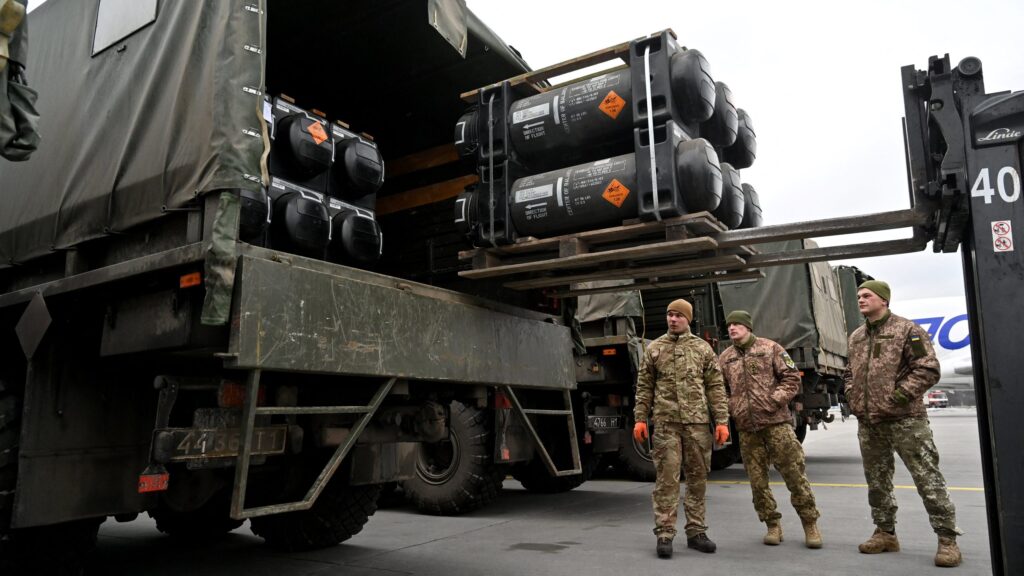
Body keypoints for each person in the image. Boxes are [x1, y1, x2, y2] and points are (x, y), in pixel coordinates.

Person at [845, 280, 961, 568]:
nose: (861, 300)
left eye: (867, 295)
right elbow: (849, 373)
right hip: (870, 423)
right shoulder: (857, 336)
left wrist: (897, 397)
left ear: (883, 300)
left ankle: (947, 540)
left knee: (927, 479)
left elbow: (928, 368)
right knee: (877, 482)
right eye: (858, 296)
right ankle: (885, 533)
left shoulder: (907, 330)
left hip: (905, 420)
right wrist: (852, 396)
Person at [633, 299, 729, 558]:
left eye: (678, 315)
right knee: (667, 480)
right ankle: (664, 534)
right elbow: (644, 387)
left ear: (688, 319)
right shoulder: (655, 349)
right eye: (669, 315)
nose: (672, 319)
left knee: (697, 480)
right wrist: (640, 418)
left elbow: (716, 387)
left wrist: (722, 421)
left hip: (697, 425)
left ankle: (696, 532)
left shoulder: (702, 349)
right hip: (666, 424)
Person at [718, 310, 822, 548]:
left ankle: (810, 524)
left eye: (737, 324)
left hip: (776, 425)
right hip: (747, 429)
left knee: (794, 475)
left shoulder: (770, 348)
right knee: (758, 482)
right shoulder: (725, 358)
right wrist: (731, 408)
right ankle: (772, 525)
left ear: (748, 327)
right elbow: (719, 389)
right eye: (730, 325)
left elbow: (792, 377)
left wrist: (775, 400)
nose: (732, 328)